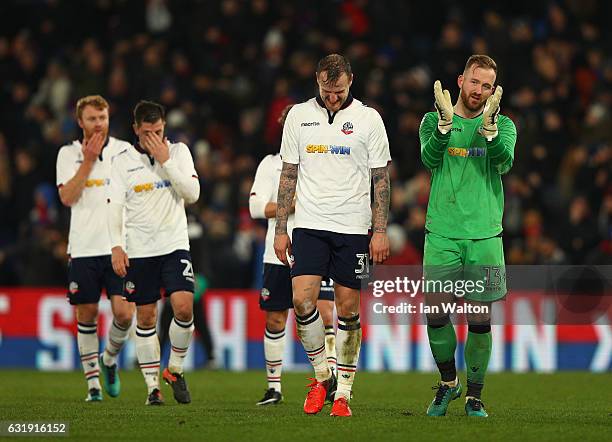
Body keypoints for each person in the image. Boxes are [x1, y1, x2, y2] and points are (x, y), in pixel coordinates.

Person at [274, 54, 391, 417]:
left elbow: (381, 179)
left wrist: (380, 230)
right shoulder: (297, 115)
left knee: (348, 310)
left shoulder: (369, 119)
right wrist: (281, 228)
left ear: (351, 81)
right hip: (309, 224)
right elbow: (288, 174)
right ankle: (323, 376)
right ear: (317, 81)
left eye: (339, 91)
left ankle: (343, 394)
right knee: (302, 302)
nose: (333, 97)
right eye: (327, 90)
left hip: (353, 228)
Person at [419, 54, 517, 417]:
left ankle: (475, 395)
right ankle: (448, 384)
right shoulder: (432, 118)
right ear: (460, 81)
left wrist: (490, 134)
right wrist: (444, 127)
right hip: (442, 233)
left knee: (479, 318)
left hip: (485, 236)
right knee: (436, 315)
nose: (479, 91)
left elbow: (503, 161)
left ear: (494, 91)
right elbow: (429, 159)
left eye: (487, 85)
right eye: (474, 82)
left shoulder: (504, 125)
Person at [107, 100, 200, 405]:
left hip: (174, 245)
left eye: (158, 131)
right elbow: (115, 208)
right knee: (146, 317)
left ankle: (174, 369)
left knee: (184, 308)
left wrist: (166, 160)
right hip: (140, 250)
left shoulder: (179, 152)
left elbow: (192, 194)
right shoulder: (122, 162)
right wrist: (117, 246)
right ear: (136, 129)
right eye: (147, 133)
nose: (153, 138)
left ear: (164, 128)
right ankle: (152, 388)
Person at [249, 104, 337, 406]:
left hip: (317, 247)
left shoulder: (323, 159)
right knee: (276, 319)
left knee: (325, 312)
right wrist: (294, 204)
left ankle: (330, 380)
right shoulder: (270, 164)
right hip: (278, 252)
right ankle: (274, 387)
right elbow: (255, 207)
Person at [55, 95, 135, 402]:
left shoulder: (124, 151)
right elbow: (67, 197)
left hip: (119, 246)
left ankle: (110, 358)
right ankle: (93, 386)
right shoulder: (67, 154)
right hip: (85, 247)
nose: (98, 123)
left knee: (124, 314)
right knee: (86, 314)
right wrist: (88, 161)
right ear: (80, 122)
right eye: (92, 119)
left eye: (102, 117)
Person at [158, 273, 218, 369]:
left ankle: (211, 358)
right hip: (180, 288)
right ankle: (211, 358)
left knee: (200, 325)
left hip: (188, 287)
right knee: (165, 328)